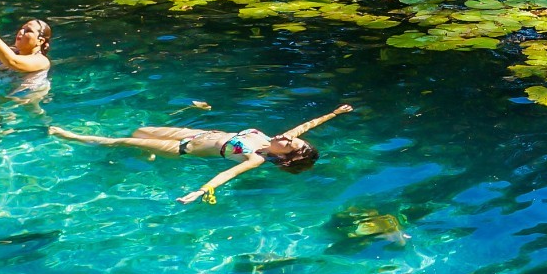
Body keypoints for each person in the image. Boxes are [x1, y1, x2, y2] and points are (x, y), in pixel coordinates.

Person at [49, 104, 352, 204]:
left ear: (285, 158)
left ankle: (72, 137)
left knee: (122, 141)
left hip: (182, 149)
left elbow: (226, 174)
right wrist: (334, 113)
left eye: (290, 144)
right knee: (140, 132)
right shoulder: (273, 139)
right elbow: (305, 126)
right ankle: (147, 156)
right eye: (290, 139)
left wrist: (201, 191)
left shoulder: (257, 158)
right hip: (192, 134)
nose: (287, 137)